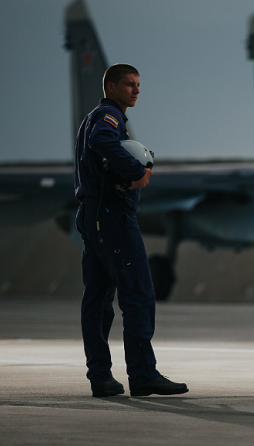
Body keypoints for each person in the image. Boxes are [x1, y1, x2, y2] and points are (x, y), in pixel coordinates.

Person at [74, 63, 188, 398]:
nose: (136, 90)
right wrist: (136, 173)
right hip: (112, 216)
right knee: (138, 293)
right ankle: (142, 374)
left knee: (97, 300)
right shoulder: (109, 117)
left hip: (94, 214)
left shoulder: (97, 116)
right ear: (110, 86)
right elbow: (102, 142)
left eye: (138, 84)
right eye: (128, 84)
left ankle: (101, 377)